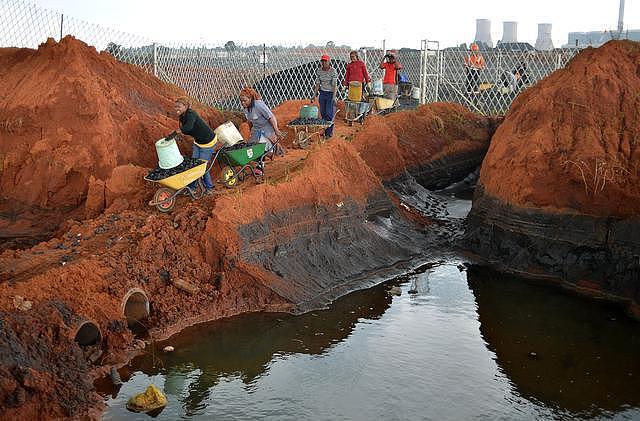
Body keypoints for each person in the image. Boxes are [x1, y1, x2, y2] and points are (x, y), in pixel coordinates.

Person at [174, 97, 216, 194]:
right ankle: (192, 187)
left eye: (178, 106)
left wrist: (180, 131)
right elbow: (186, 128)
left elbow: (189, 127)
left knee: (202, 166)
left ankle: (209, 188)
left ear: (185, 106)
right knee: (193, 165)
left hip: (208, 141)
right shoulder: (182, 115)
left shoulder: (191, 114)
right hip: (198, 141)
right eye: (175, 107)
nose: (176, 109)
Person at [239, 87, 284, 176]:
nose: (243, 103)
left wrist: (276, 130)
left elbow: (271, 117)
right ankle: (269, 155)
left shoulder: (258, 105)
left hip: (266, 128)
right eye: (241, 101)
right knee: (251, 147)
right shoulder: (246, 108)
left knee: (261, 146)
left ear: (251, 98)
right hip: (256, 129)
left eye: (245, 100)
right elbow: (251, 121)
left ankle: (260, 166)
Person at [312, 54, 337, 139]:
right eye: (322, 61)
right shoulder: (319, 71)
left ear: (329, 61)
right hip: (322, 93)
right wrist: (314, 95)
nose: (324, 62)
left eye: (325, 61)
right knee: (323, 113)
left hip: (330, 93)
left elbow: (334, 85)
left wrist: (334, 96)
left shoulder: (333, 71)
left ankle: (329, 133)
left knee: (329, 113)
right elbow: (318, 83)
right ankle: (325, 131)